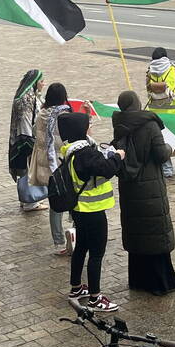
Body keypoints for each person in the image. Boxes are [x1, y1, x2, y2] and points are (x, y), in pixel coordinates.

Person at [112, 90, 175, 296]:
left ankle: (138, 280)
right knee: (155, 232)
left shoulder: (119, 124)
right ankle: (160, 283)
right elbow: (160, 155)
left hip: (130, 188)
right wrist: (169, 146)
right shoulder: (150, 124)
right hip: (150, 187)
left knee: (137, 231)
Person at [60, 112, 126, 312]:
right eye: (88, 125)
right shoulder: (85, 154)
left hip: (79, 209)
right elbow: (106, 169)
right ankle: (96, 298)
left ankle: (76, 287)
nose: (91, 127)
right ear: (81, 130)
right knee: (97, 253)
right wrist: (118, 156)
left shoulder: (72, 150)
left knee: (81, 247)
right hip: (92, 210)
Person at [32, 82, 71, 252]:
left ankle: (59, 242)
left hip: (48, 166)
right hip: (63, 165)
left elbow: (35, 133)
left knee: (55, 204)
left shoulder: (42, 114)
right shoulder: (64, 115)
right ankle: (75, 234)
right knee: (73, 200)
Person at [146, 48, 175, 177]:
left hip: (158, 113)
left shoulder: (150, 72)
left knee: (163, 139)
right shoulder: (172, 69)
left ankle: (166, 170)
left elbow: (148, 89)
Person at [9, 69, 46, 212]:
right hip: (27, 139)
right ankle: (30, 201)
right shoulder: (27, 99)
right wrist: (29, 141)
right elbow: (26, 121)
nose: (43, 84)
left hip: (23, 138)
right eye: (41, 81)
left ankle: (27, 199)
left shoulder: (28, 94)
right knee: (29, 170)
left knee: (26, 170)